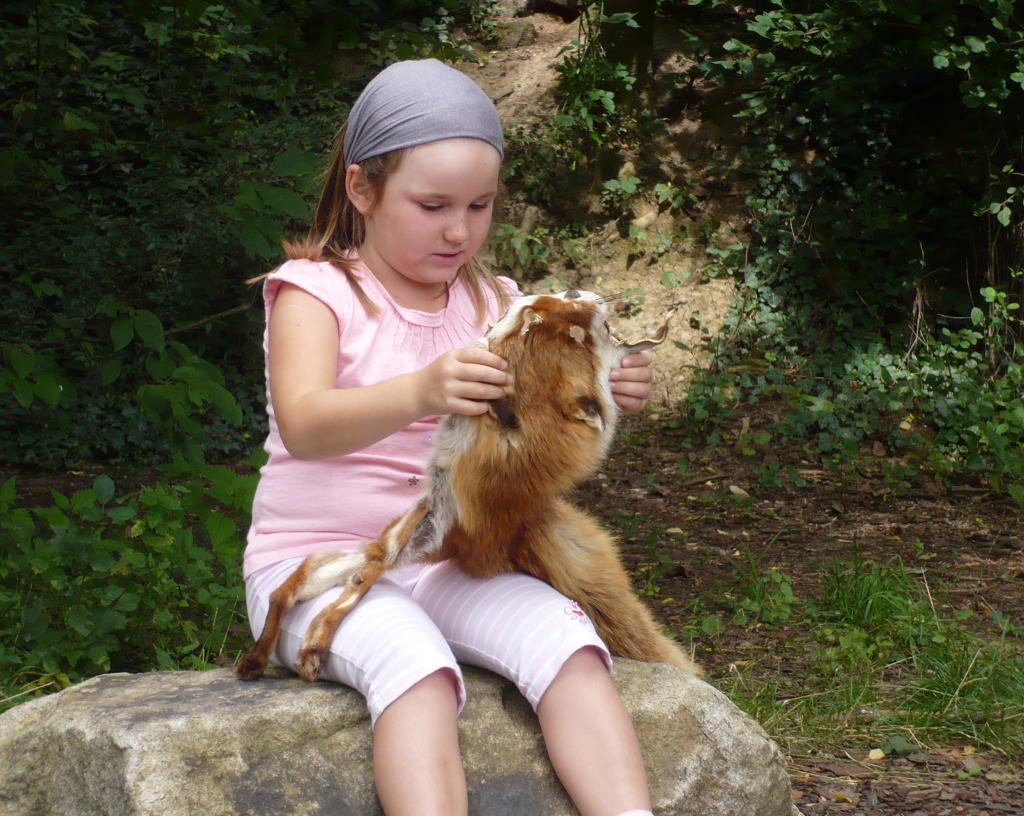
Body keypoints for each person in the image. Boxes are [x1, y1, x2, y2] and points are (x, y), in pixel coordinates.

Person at [244, 58, 657, 816]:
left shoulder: (494, 302)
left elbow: (534, 439)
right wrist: (420, 391)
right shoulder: (316, 294)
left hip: (449, 558)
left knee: (567, 640)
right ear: (362, 189)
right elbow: (304, 423)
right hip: (318, 565)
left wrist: (608, 384)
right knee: (419, 669)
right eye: (432, 205)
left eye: (480, 205)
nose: (459, 229)